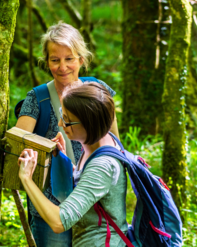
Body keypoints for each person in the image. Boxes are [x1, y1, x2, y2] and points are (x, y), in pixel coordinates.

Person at [15, 22, 119, 246]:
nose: (62, 67)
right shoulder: (37, 98)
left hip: (94, 205)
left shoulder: (98, 92)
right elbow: (17, 144)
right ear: (47, 62)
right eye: (55, 60)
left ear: (81, 59)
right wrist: (48, 150)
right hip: (51, 203)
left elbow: (114, 145)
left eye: (69, 58)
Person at [18, 82, 128, 246]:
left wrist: (26, 178)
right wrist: (64, 160)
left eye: (67, 121)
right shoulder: (99, 143)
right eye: (63, 115)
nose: (61, 125)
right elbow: (88, 183)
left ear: (88, 124)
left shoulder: (103, 165)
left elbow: (59, 222)